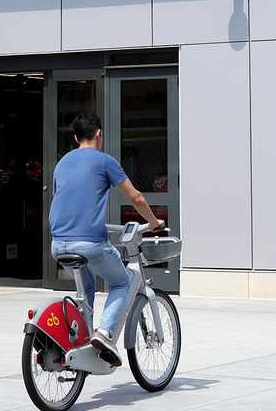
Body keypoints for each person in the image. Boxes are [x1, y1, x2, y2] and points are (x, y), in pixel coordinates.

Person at [49, 112, 164, 366]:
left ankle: (82, 343)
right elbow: (136, 198)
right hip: (89, 243)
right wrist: (154, 222)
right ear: (99, 134)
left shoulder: (62, 163)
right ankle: (104, 334)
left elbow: (64, 199)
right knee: (123, 282)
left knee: (86, 288)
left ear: (76, 137)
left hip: (58, 244)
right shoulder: (104, 161)